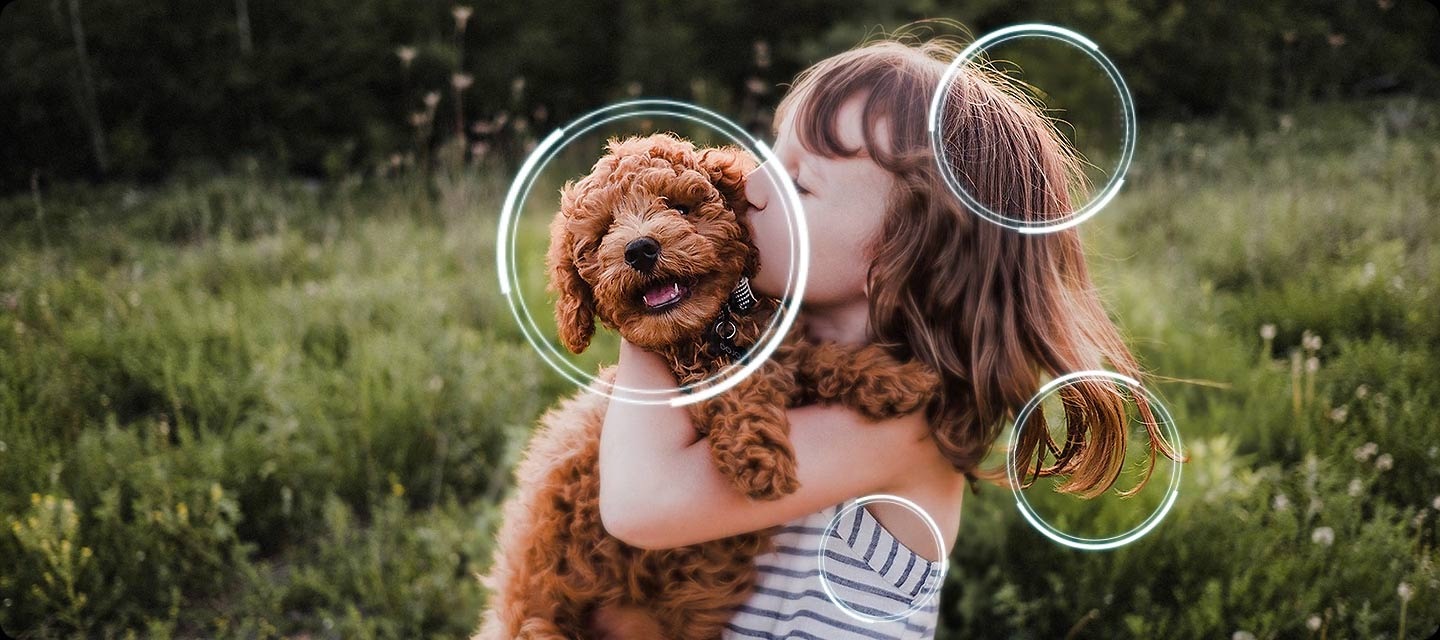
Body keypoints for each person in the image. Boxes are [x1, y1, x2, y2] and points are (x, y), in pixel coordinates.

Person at [597, 28, 1175, 639]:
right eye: (770, 153)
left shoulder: (899, 425)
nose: (748, 187)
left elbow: (640, 504)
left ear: (898, 257)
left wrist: (648, 309)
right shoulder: (772, 360)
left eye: (799, 184)